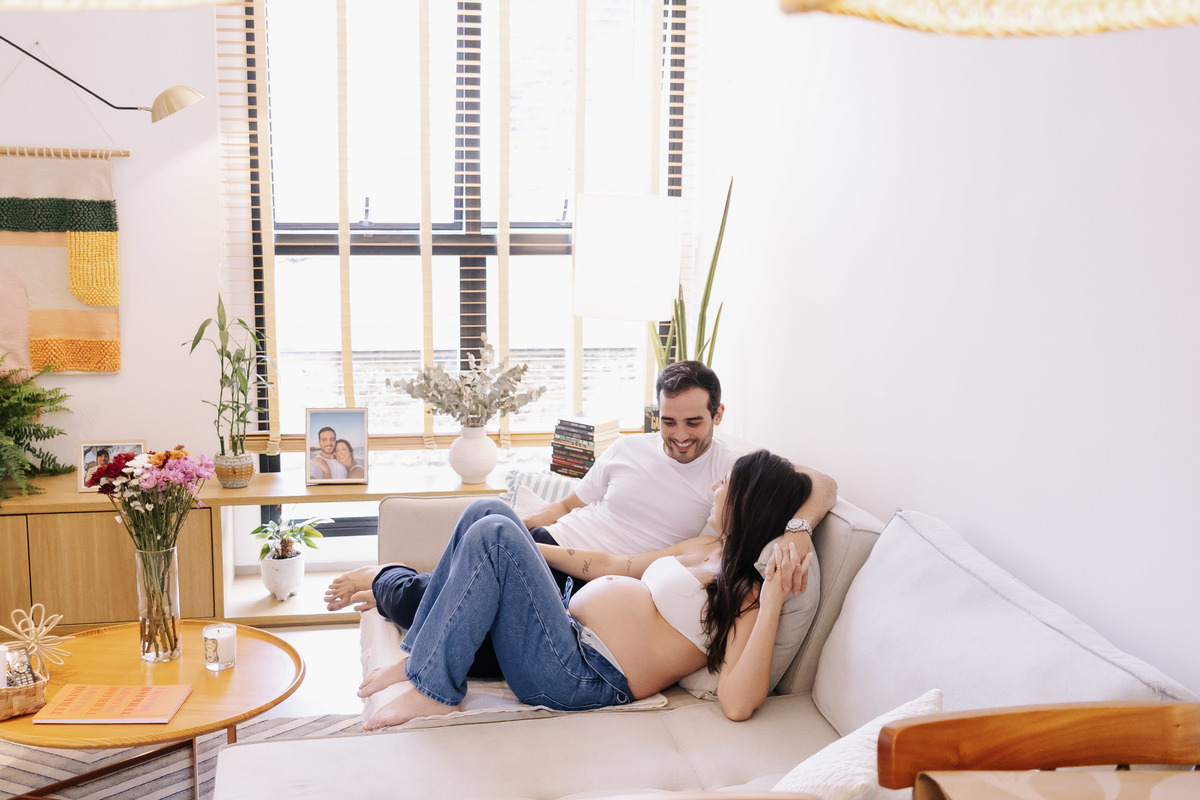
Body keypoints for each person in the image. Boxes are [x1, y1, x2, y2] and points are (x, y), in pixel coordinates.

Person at [325, 360, 836, 675]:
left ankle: (388, 579)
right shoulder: (628, 449)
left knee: (463, 633)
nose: (680, 435)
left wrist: (798, 530)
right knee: (476, 545)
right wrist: (519, 530)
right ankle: (400, 583)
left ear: (718, 415)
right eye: (669, 421)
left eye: (694, 422)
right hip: (556, 543)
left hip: (587, 575)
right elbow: (570, 505)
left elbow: (823, 483)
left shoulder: (733, 471)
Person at [358, 449, 813, 729]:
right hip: (566, 631)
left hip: (581, 675)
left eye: (726, 483)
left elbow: (737, 704)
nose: (716, 486)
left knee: (494, 532)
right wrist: (529, 543)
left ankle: (434, 692)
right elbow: (615, 565)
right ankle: (420, 658)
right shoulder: (706, 546)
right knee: (488, 512)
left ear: (746, 503)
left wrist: (774, 599)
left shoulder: (746, 594)